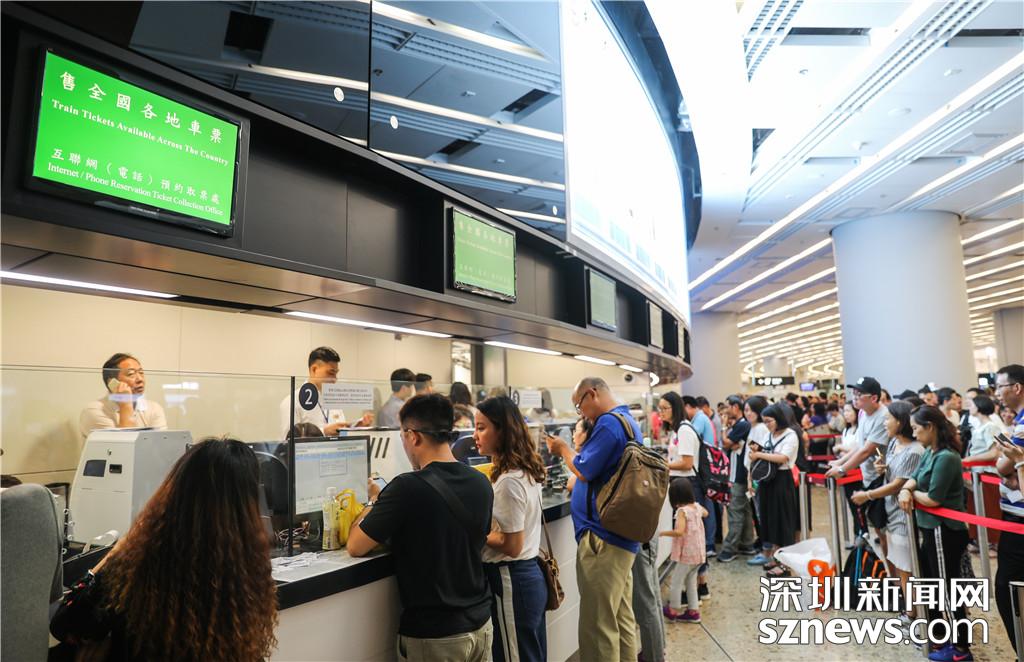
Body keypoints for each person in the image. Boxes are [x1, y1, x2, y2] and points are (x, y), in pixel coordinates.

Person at [50, 438, 277, 661]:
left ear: (176, 489)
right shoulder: (245, 574)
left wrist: (119, 549)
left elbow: (64, 624)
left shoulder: (138, 564)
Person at [348, 394, 494, 661]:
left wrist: (373, 500)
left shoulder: (406, 487)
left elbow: (356, 545)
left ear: (413, 436)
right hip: (481, 624)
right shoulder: (481, 483)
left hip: (436, 634)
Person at [545, 377, 639, 662]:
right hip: (619, 535)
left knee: (598, 625)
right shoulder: (627, 420)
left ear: (592, 394)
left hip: (602, 537)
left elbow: (584, 469)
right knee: (620, 617)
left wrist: (563, 449)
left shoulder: (609, 423)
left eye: (579, 406)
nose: (581, 414)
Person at [473, 397, 547, 662]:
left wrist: (476, 532)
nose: (475, 435)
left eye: (481, 428)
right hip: (526, 578)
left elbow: (512, 545)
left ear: (502, 430)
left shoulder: (508, 482)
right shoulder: (524, 471)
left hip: (511, 579)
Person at [898, 406, 971, 662]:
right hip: (930, 529)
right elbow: (914, 478)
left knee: (946, 587)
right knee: (931, 584)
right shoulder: (930, 452)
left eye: (916, 428)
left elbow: (933, 498)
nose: (914, 433)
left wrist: (911, 493)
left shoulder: (947, 457)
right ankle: (939, 635)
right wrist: (906, 489)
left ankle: (960, 647)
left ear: (930, 427)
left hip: (944, 530)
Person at [849, 401, 922, 625]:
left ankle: (913, 614)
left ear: (900, 422)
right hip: (891, 512)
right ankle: (908, 608)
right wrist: (883, 467)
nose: (884, 422)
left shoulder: (915, 450)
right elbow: (892, 475)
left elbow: (898, 484)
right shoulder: (893, 444)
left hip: (904, 515)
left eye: (889, 418)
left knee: (907, 567)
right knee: (899, 564)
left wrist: (867, 495)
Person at [826, 377, 889, 542]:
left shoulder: (882, 417)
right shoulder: (863, 413)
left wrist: (842, 469)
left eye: (859, 394)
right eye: (853, 393)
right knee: (877, 528)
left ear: (874, 398)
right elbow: (860, 445)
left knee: (884, 531)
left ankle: (890, 559)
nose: (854, 397)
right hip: (869, 476)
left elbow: (867, 451)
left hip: (882, 478)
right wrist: (840, 462)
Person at [993, 364, 1024, 655]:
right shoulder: (1019, 420)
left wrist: (1014, 466)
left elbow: (1004, 465)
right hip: (1015, 516)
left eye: (1000, 386)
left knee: (1007, 587)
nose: (997, 393)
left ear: (1016, 387)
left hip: (1020, 522)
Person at [748, 403, 801, 574]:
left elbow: (783, 458)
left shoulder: (790, 435)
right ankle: (776, 558)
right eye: (764, 421)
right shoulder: (769, 434)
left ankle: (785, 565)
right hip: (767, 481)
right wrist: (757, 450)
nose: (767, 425)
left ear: (779, 419)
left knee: (783, 521)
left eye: (769, 421)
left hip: (782, 480)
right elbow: (767, 452)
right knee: (771, 520)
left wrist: (759, 454)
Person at [279, 347, 368, 437]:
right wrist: (324, 432)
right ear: (314, 370)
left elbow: (341, 434)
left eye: (336, 373)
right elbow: (289, 441)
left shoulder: (334, 400)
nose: (335, 379)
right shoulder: (292, 402)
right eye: (331, 373)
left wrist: (355, 427)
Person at [80, 353, 167, 440]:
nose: (140, 379)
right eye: (131, 374)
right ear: (112, 382)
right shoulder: (93, 411)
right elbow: (123, 445)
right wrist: (125, 403)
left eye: (141, 373)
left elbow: (161, 444)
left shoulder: (154, 408)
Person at [660, 478, 706, 624]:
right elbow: (706, 513)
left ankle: (673, 609)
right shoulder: (696, 507)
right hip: (699, 554)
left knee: (676, 581)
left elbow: (679, 532)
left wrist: (662, 533)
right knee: (691, 582)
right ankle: (693, 612)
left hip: (687, 555)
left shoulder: (682, 511)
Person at [719, 395, 756, 562]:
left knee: (735, 512)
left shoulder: (742, 425)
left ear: (735, 407)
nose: (726, 411)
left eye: (727, 407)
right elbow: (731, 445)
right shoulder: (741, 425)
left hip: (738, 474)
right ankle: (747, 543)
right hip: (740, 473)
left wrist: (723, 427)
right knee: (744, 510)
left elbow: (726, 443)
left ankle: (730, 548)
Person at [963, 394, 1003, 550]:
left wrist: (969, 459)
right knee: (977, 507)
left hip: (987, 472)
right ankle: (980, 540)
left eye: (972, 404)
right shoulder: (979, 426)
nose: (970, 407)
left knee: (989, 507)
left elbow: (994, 453)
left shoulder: (990, 427)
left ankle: (993, 542)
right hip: (976, 472)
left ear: (979, 406)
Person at [682, 396, 718, 556]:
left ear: (688, 406)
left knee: (706, 506)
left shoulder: (699, 420)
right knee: (706, 505)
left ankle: (709, 544)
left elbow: (691, 439)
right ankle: (709, 542)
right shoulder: (699, 419)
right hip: (705, 468)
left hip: (705, 469)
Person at [743, 396, 772, 566]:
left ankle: (767, 551)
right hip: (753, 477)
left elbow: (758, 457)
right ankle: (765, 548)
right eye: (746, 410)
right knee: (759, 515)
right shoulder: (753, 428)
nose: (748, 413)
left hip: (759, 478)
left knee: (763, 515)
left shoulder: (760, 429)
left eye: (751, 410)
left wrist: (751, 479)